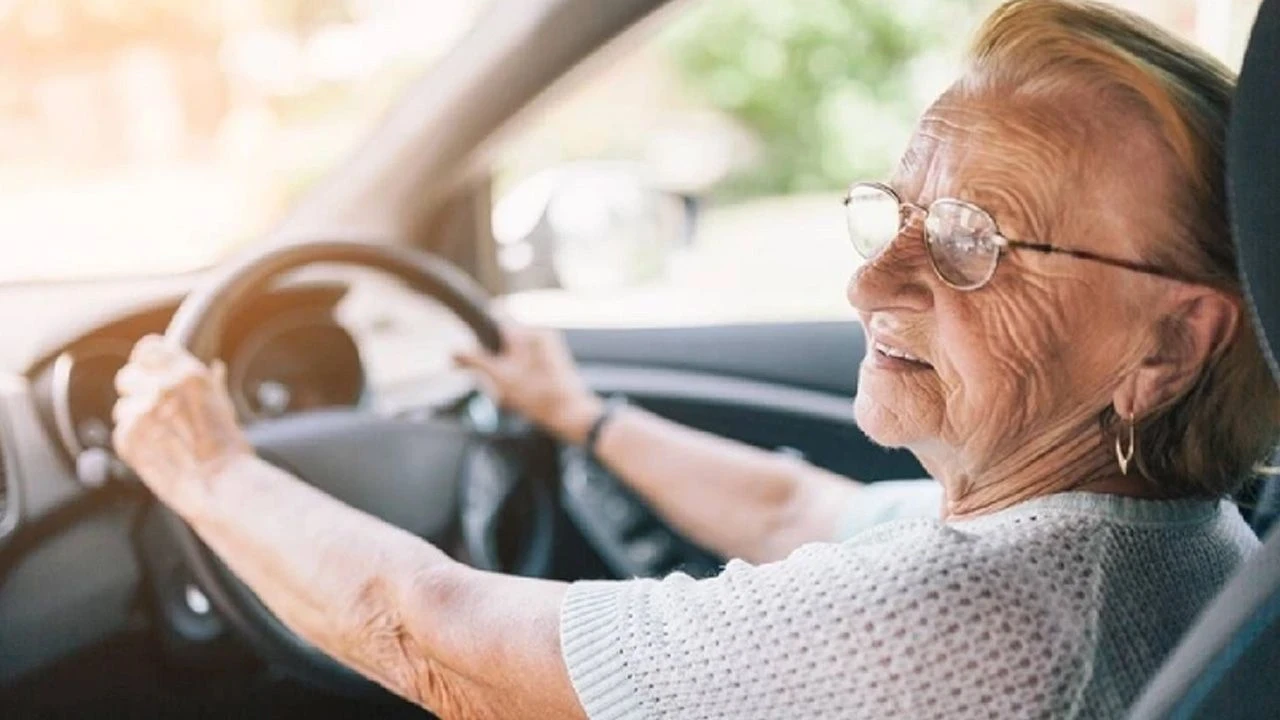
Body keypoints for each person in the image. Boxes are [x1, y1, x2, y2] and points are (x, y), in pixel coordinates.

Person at [111, 1, 1280, 717]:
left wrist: (205, 468)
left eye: (975, 240)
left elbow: (435, 641)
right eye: (899, 213)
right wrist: (580, 416)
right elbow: (793, 509)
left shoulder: (975, 616)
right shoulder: (1180, 543)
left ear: (1170, 342)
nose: (869, 283)